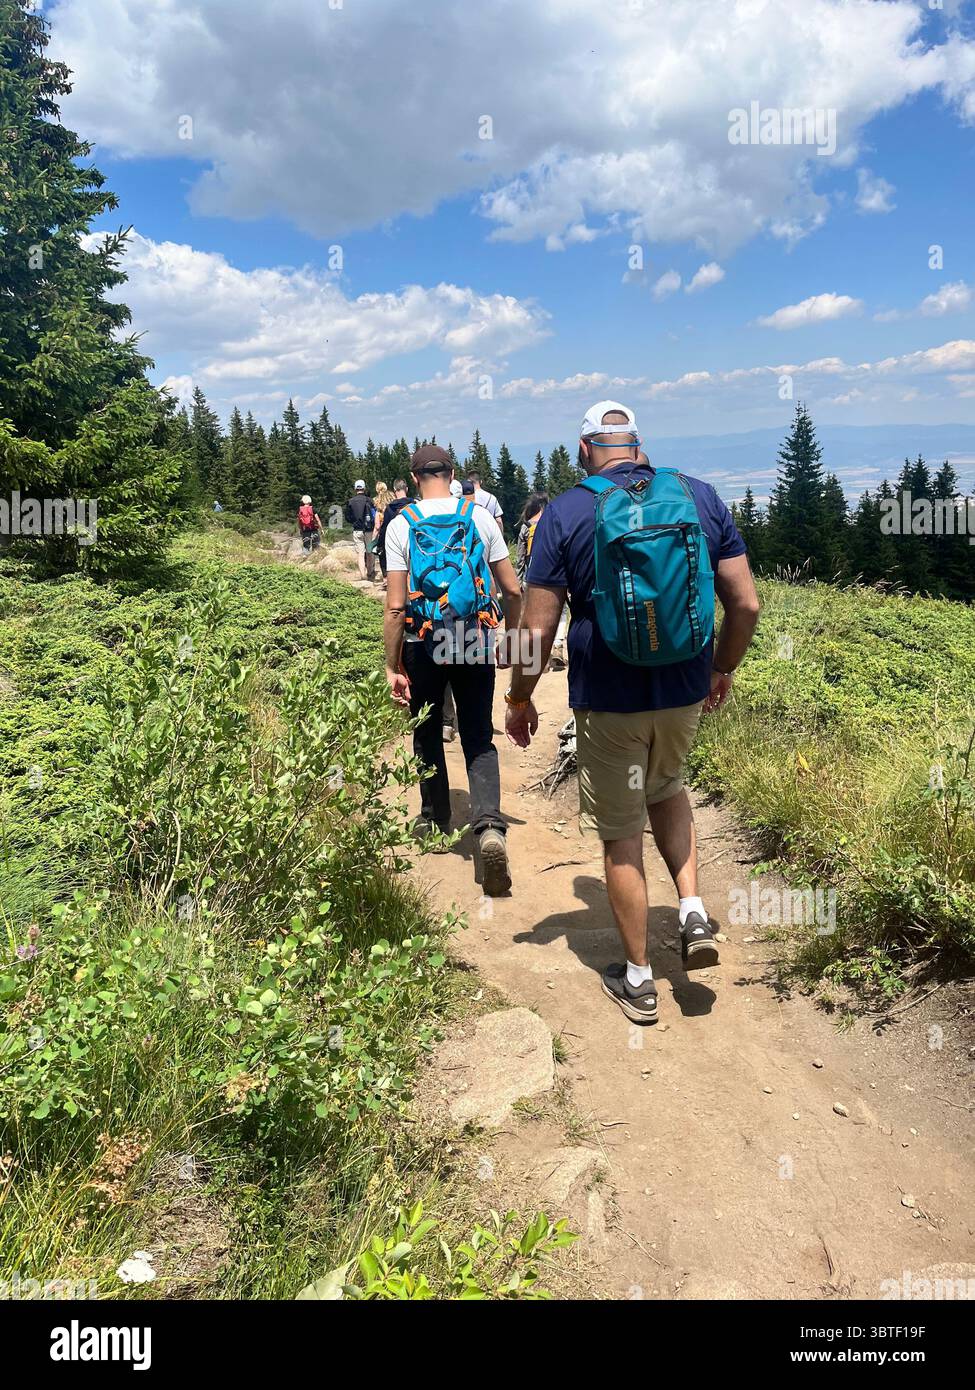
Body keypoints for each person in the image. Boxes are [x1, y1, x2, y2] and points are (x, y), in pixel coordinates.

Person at [505, 401, 760, 1023]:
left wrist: (518, 696)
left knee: (622, 835)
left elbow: (536, 632)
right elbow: (746, 604)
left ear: (585, 450)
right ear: (638, 444)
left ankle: (641, 978)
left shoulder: (565, 512)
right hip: (683, 691)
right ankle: (693, 908)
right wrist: (720, 668)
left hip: (610, 698)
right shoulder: (698, 496)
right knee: (668, 788)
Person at [384, 444, 522, 895]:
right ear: (453, 472)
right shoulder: (479, 515)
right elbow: (513, 590)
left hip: (423, 640)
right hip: (472, 636)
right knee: (478, 735)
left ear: (413, 476)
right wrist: (512, 642)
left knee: (426, 733)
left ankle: (436, 821)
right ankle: (488, 828)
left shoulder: (401, 524)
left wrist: (392, 664)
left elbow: (395, 606)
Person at [375, 478, 412, 586]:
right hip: (413, 541)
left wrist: (380, 545)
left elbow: (385, 529)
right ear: (407, 489)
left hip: (396, 544)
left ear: (395, 490)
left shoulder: (390, 508)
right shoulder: (415, 505)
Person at [345, 480, 376, 580]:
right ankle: (370, 572)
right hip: (369, 530)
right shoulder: (370, 501)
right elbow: (374, 515)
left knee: (360, 554)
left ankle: (362, 575)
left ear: (355, 489)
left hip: (357, 530)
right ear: (364, 488)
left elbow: (348, 517)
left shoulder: (350, 501)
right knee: (369, 551)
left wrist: (354, 521)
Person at [516, 491, 548, 586]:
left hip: (530, 577)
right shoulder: (551, 523)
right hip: (550, 577)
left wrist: (519, 582)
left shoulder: (526, 526)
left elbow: (520, 558)